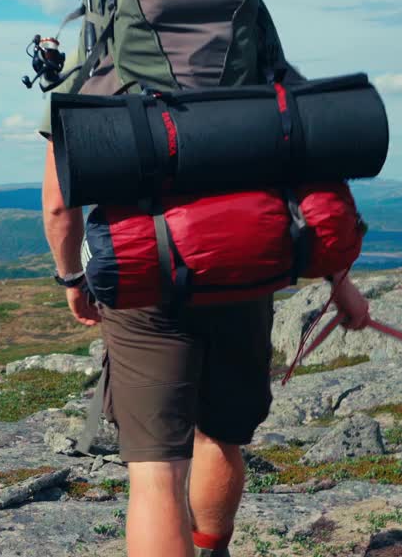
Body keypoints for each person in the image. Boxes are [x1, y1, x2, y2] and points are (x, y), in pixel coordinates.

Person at [41, 140, 275, 557]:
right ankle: (211, 551)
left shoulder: (85, 73)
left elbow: (60, 204)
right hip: (241, 266)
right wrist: (339, 281)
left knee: (156, 475)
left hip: (141, 275)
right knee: (221, 435)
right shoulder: (249, 70)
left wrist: (72, 278)